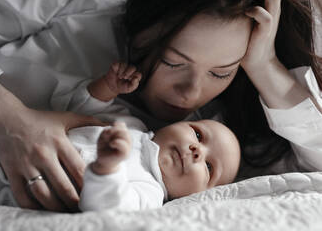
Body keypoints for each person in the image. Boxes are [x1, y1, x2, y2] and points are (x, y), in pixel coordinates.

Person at [0, 0, 321, 212]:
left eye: (220, 72)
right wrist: (5, 116)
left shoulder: (221, 127)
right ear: (142, 24)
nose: (191, 93)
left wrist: (264, 66)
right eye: (173, 61)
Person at [66, 62, 240, 211]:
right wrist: (107, 87)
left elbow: (110, 208)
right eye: (197, 135)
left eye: (209, 167)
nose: (197, 151)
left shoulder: (150, 193)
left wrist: (108, 168)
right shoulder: (131, 123)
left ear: (202, 194)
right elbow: (79, 108)